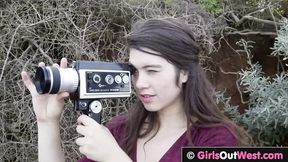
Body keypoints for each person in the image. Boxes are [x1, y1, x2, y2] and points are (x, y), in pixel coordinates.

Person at [21, 17, 252, 162]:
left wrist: (114, 158)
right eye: (135, 71)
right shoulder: (120, 131)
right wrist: (47, 122)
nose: (140, 83)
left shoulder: (216, 140)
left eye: (152, 70)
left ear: (184, 73)